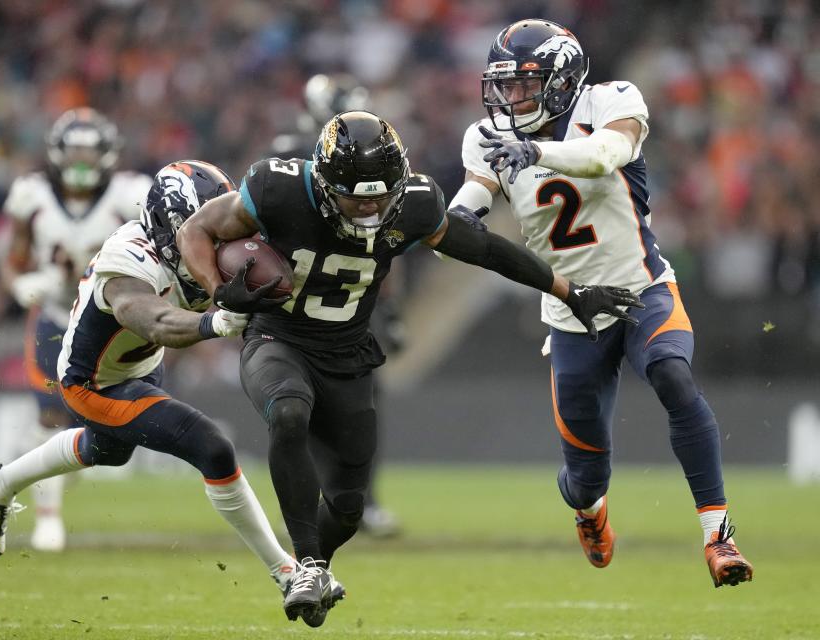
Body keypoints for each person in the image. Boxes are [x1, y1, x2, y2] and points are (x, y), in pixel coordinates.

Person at [177, 110, 641, 626]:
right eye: (358, 198)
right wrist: (220, 294)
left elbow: (483, 248)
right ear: (326, 184)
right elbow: (197, 229)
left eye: (381, 196)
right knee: (288, 412)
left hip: (348, 355)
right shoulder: (277, 189)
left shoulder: (415, 205)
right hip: (278, 337)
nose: (372, 209)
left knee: (349, 506)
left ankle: (318, 565)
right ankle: (303, 565)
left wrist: (568, 291)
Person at [457, 18, 753, 587]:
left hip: (642, 289)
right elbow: (476, 195)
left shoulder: (611, 101)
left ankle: (719, 536)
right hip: (572, 315)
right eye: (505, 86)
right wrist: (454, 217)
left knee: (673, 376)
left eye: (526, 84)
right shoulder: (486, 136)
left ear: (562, 80)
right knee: (585, 476)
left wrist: (534, 148)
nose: (512, 97)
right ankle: (589, 513)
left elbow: (601, 155)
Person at [0, 160, 298, 598]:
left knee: (109, 449)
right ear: (173, 224)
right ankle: (287, 572)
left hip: (139, 366)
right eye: (208, 228)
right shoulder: (129, 258)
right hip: (94, 381)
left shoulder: (207, 244)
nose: (221, 238)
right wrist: (213, 324)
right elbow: (154, 321)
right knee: (211, 446)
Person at [0, 108, 153, 551]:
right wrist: (21, 284)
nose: (82, 162)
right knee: (50, 415)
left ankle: (48, 486)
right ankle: (49, 517)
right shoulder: (33, 194)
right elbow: (14, 257)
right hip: (54, 316)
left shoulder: (130, 194)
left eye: (90, 151)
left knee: (100, 430)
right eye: (75, 151)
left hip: (111, 322)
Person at [271, 73, 403, 539]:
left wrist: (393, 306)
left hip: (356, 296)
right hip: (301, 296)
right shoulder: (291, 155)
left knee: (361, 404)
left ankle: (362, 500)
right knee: (300, 403)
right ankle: (313, 502)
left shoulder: (377, 164)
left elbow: (392, 232)